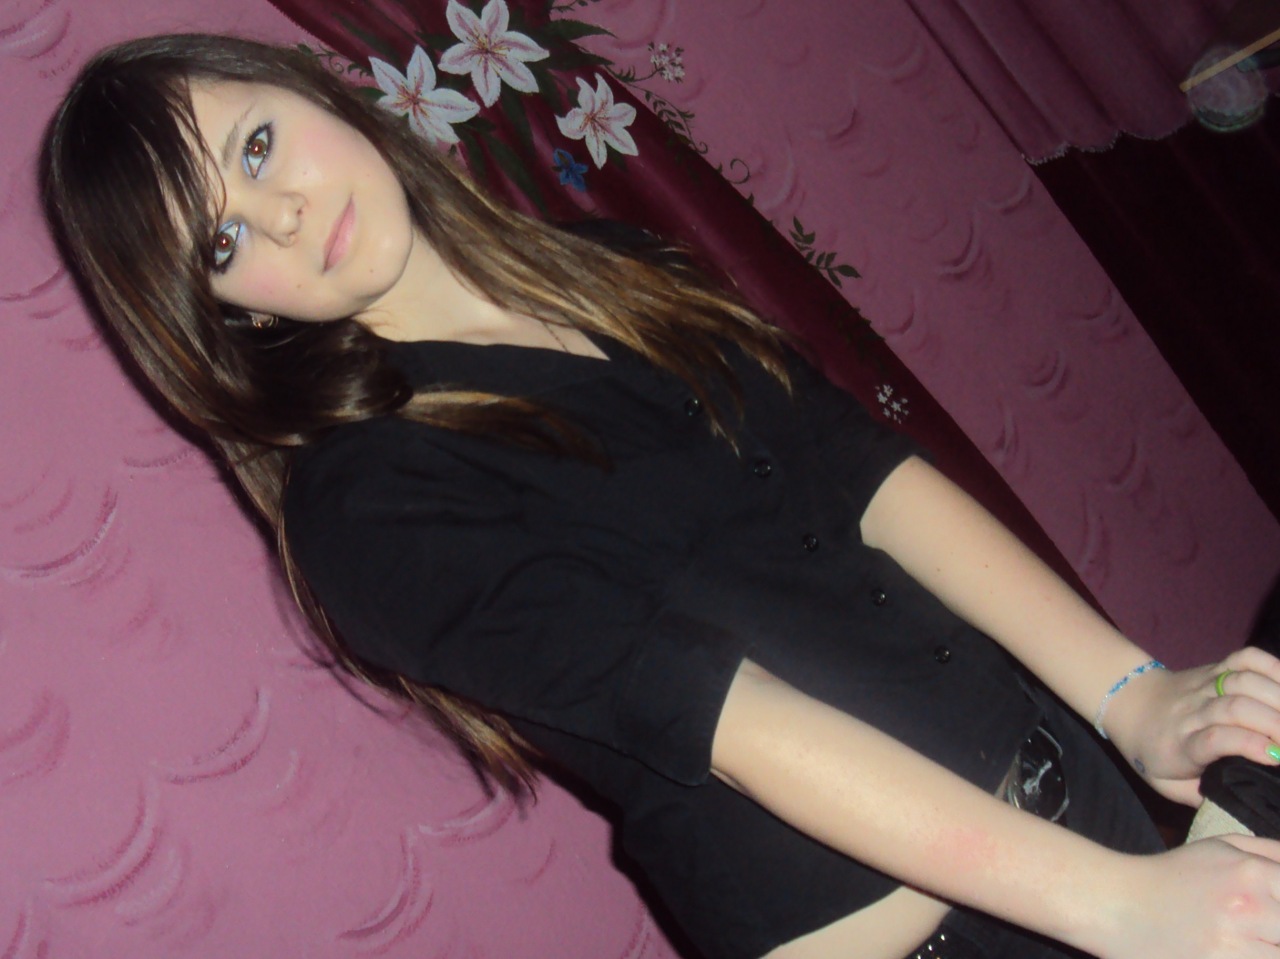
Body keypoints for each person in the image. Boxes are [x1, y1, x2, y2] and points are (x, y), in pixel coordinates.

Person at [41, 32, 1280, 959]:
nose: (281, 213)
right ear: (234, 315)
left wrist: (1129, 694)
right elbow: (725, 715)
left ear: (316, 94)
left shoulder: (615, 268)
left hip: (1061, 796)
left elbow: (861, 473)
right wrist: (1113, 904)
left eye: (256, 147)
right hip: (943, 926)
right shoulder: (363, 502)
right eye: (222, 243)